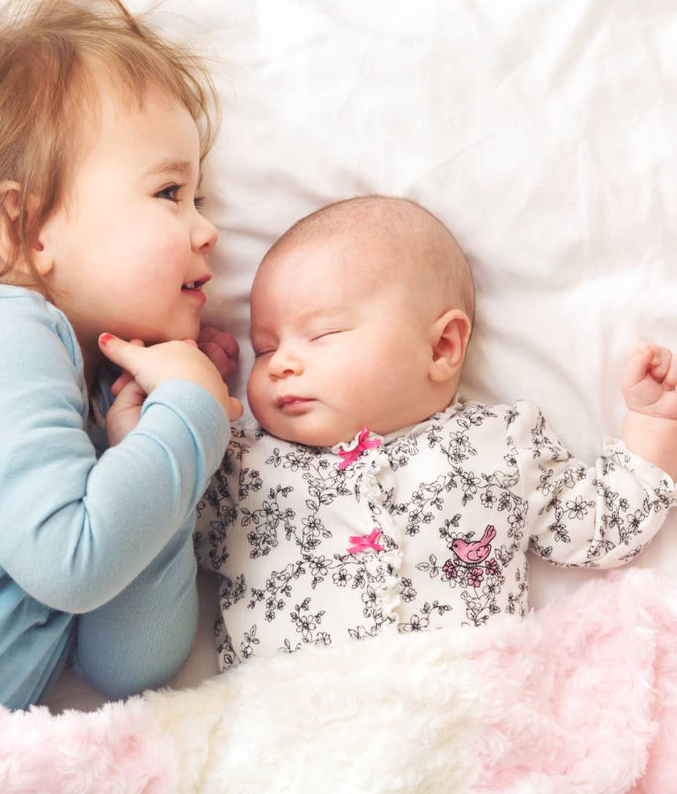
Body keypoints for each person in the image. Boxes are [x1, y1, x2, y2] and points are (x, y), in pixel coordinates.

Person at [0, 0, 242, 709]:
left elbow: (129, 665)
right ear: (24, 227)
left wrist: (152, 449)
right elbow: (71, 564)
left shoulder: (85, 403)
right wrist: (196, 414)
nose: (208, 233)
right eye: (171, 192)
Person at [195, 195, 677, 669]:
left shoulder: (502, 446)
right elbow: (161, 529)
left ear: (441, 348)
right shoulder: (243, 468)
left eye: (322, 335)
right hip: (294, 720)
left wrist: (654, 424)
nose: (281, 364)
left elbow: (600, 527)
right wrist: (196, 406)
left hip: (463, 709)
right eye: (263, 348)